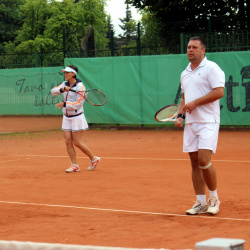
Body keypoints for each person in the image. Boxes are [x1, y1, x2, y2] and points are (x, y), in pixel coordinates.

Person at [175, 37, 225, 215]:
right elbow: (183, 97)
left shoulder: (212, 68)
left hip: (208, 122)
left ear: (203, 51)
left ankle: (214, 197)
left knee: (204, 160)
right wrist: (180, 115)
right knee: (195, 163)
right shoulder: (185, 72)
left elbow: (219, 91)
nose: (190, 50)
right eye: (188, 47)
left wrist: (196, 103)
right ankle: (201, 202)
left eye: (195, 47)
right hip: (192, 123)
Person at [51, 65, 100, 173]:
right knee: (68, 142)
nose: (65, 74)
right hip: (66, 117)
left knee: (77, 142)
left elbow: (78, 104)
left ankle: (94, 159)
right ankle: (74, 165)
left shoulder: (80, 87)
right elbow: (53, 92)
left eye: (67, 73)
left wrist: (64, 104)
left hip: (77, 118)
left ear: (73, 74)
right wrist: (62, 89)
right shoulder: (64, 84)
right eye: (64, 73)